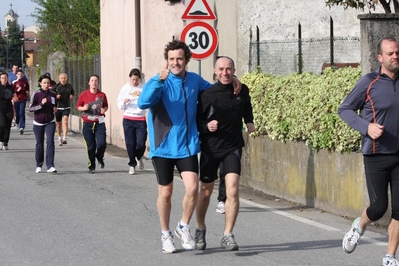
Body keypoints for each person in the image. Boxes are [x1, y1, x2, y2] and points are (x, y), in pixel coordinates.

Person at [338, 37, 399, 266]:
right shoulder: (369, 81)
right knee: (378, 207)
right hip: (376, 154)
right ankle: (359, 225)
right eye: (390, 53)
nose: (395, 57)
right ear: (380, 58)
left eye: (398, 53)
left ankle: (390, 257)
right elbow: (344, 109)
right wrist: (367, 127)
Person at [195, 56, 255, 251]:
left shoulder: (241, 89)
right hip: (210, 149)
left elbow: (246, 106)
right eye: (221, 69)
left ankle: (227, 234)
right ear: (215, 71)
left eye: (228, 69)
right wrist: (206, 125)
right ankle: (200, 228)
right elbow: (197, 120)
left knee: (233, 190)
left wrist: (249, 121)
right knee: (205, 192)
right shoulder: (207, 94)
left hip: (232, 147)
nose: (225, 73)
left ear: (233, 70)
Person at [117, 68, 147, 175]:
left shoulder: (144, 88)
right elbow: (119, 104)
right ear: (130, 78)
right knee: (130, 143)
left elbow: (148, 101)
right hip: (128, 118)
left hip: (140, 119)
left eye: (137, 80)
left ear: (139, 79)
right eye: (133, 79)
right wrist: (124, 102)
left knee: (141, 143)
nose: (135, 82)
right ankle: (132, 164)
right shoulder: (125, 88)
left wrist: (142, 96)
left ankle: (139, 157)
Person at [76, 74, 108, 174]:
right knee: (91, 146)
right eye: (92, 80)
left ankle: (99, 157)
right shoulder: (83, 94)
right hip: (88, 123)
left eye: (96, 80)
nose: (94, 82)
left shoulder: (102, 95)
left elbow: (106, 106)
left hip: (99, 123)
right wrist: (83, 108)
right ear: (89, 82)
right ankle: (92, 165)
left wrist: (104, 110)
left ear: (98, 83)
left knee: (102, 144)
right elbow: (78, 107)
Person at [29, 74, 58, 173]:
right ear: (40, 83)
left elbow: (54, 105)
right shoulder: (36, 94)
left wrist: (55, 109)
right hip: (38, 122)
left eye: (48, 83)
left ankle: (50, 165)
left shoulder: (53, 94)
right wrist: (41, 104)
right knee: (39, 143)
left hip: (50, 121)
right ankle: (39, 164)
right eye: (44, 83)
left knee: (50, 142)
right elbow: (30, 108)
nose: (46, 85)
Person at [52, 73, 75, 146]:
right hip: (58, 107)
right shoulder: (56, 87)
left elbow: (72, 93)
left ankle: (65, 137)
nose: (63, 79)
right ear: (59, 79)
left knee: (65, 121)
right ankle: (59, 137)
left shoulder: (69, 86)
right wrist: (56, 96)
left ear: (66, 78)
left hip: (66, 106)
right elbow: (51, 95)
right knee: (59, 124)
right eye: (62, 78)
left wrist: (71, 96)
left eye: (64, 78)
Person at [0, 72, 15, 150]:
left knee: (7, 126)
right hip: (0, 109)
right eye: (2, 78)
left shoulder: (11, 87)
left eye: (5, 78)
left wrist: (15, 99)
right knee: (2, 125)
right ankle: (0, 140)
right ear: (0, 79)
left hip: (9, 109)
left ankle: (5, 142)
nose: (4, 79)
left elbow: (15, 96)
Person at [12, 69, 30, 135]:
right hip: (17, 99)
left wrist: (27, 93)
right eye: (18, 74)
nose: (20, 75)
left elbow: (27, 89)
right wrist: (17, 90)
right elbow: (12, 92)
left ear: (23, 75)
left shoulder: (25, 82)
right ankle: (17, 122)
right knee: (17, 112)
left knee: (22, 112)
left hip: (23, 99)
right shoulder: (14, 82)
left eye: (21, 74)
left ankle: (22, 127)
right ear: (16, 75)